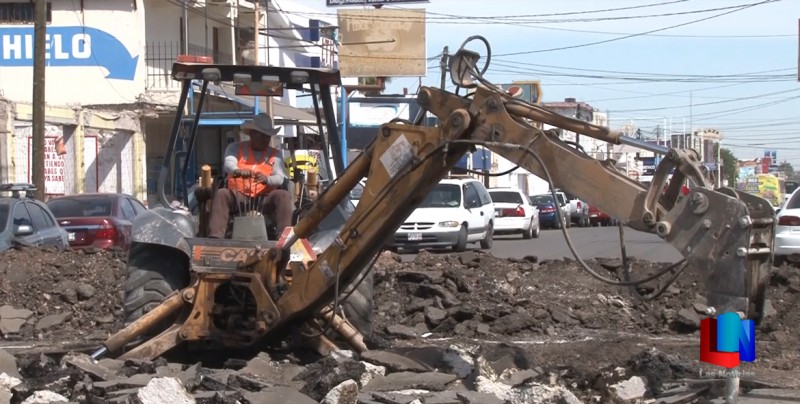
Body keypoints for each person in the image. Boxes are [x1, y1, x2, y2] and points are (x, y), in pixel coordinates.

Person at [208, 114, 294, 239]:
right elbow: (228, 163)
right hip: (239, 198)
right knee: (222, 193)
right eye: (263, 135)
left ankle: (284, 240)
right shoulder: (235, 148)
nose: (266, 139)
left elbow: (280, 177)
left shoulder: (276, 154)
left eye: (268, 136)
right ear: (253, 134)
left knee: (283, 195)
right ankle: (216, 238)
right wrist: (237, 170)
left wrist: (267, 180)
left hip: (264, 199)